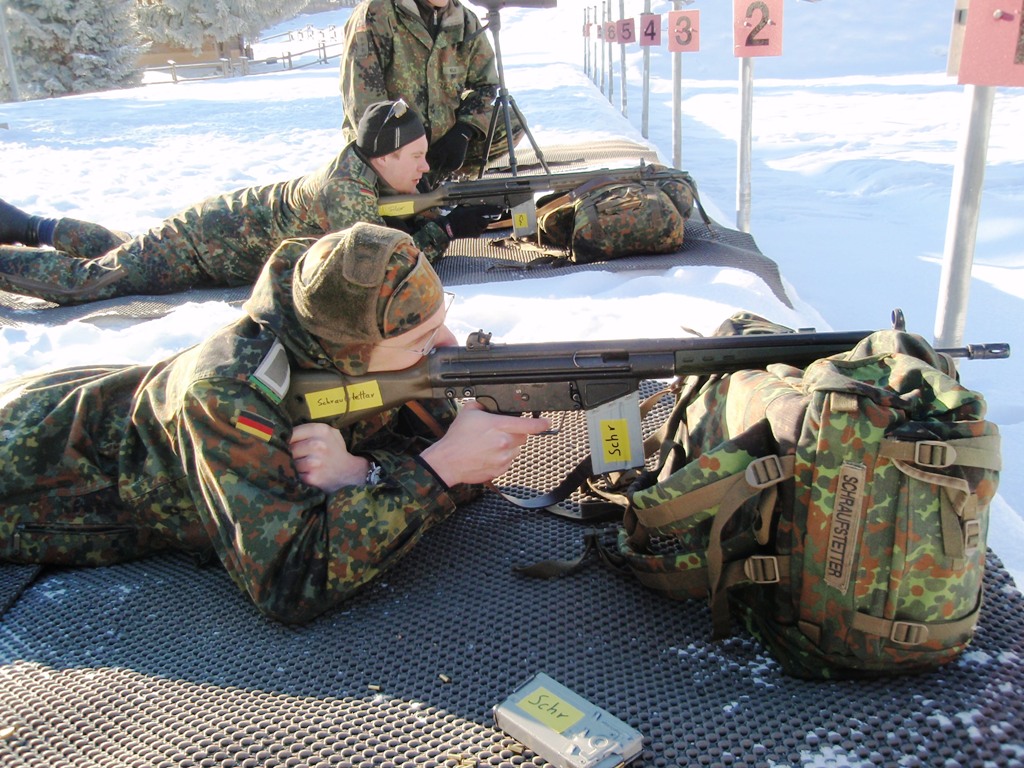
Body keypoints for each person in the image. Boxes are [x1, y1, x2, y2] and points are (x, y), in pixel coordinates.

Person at [0, 222, 550, 624]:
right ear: (350, 357)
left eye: (441, 322)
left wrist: (362, 473)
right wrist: (438, 471)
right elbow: (289, 579)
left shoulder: (348, 327)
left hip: (92, 393)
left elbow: (445, 444)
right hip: (34, 468)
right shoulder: (228, 397)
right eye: (421, 342)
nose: (446, 345)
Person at [0, 100, 495, 306]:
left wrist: (436, 214)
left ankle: (29, 226)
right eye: (417, 157)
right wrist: (449, 229)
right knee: (95, 281)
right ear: (385, 156)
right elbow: (385, 269)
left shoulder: (364, 169)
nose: (425, 168)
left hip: (208, 233)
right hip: (199, 248)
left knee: (122, 250)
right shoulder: (346, 191)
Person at [339, 0, 523, 188]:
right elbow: (365, 109)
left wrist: (464, 130)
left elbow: (485, 85)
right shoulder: (376, 14)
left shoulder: (465, 20)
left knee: (511, 123)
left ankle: (437, 178)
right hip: (391, 149)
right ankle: (405, 185)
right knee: (395, 193)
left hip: (441, 143)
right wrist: (403, 164)